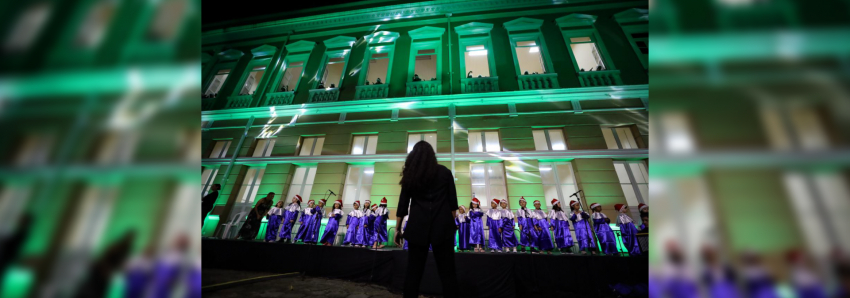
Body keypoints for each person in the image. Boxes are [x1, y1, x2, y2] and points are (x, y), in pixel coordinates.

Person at [394, 141, 459, 298]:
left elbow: (403, 204)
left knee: (413, 273)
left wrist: (397, 229)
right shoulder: (445, 172)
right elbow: (453, 205)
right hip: (443, 228)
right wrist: (450, 228)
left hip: (417, 227)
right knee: (448, 273)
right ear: (432, 155)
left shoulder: (411, 174)